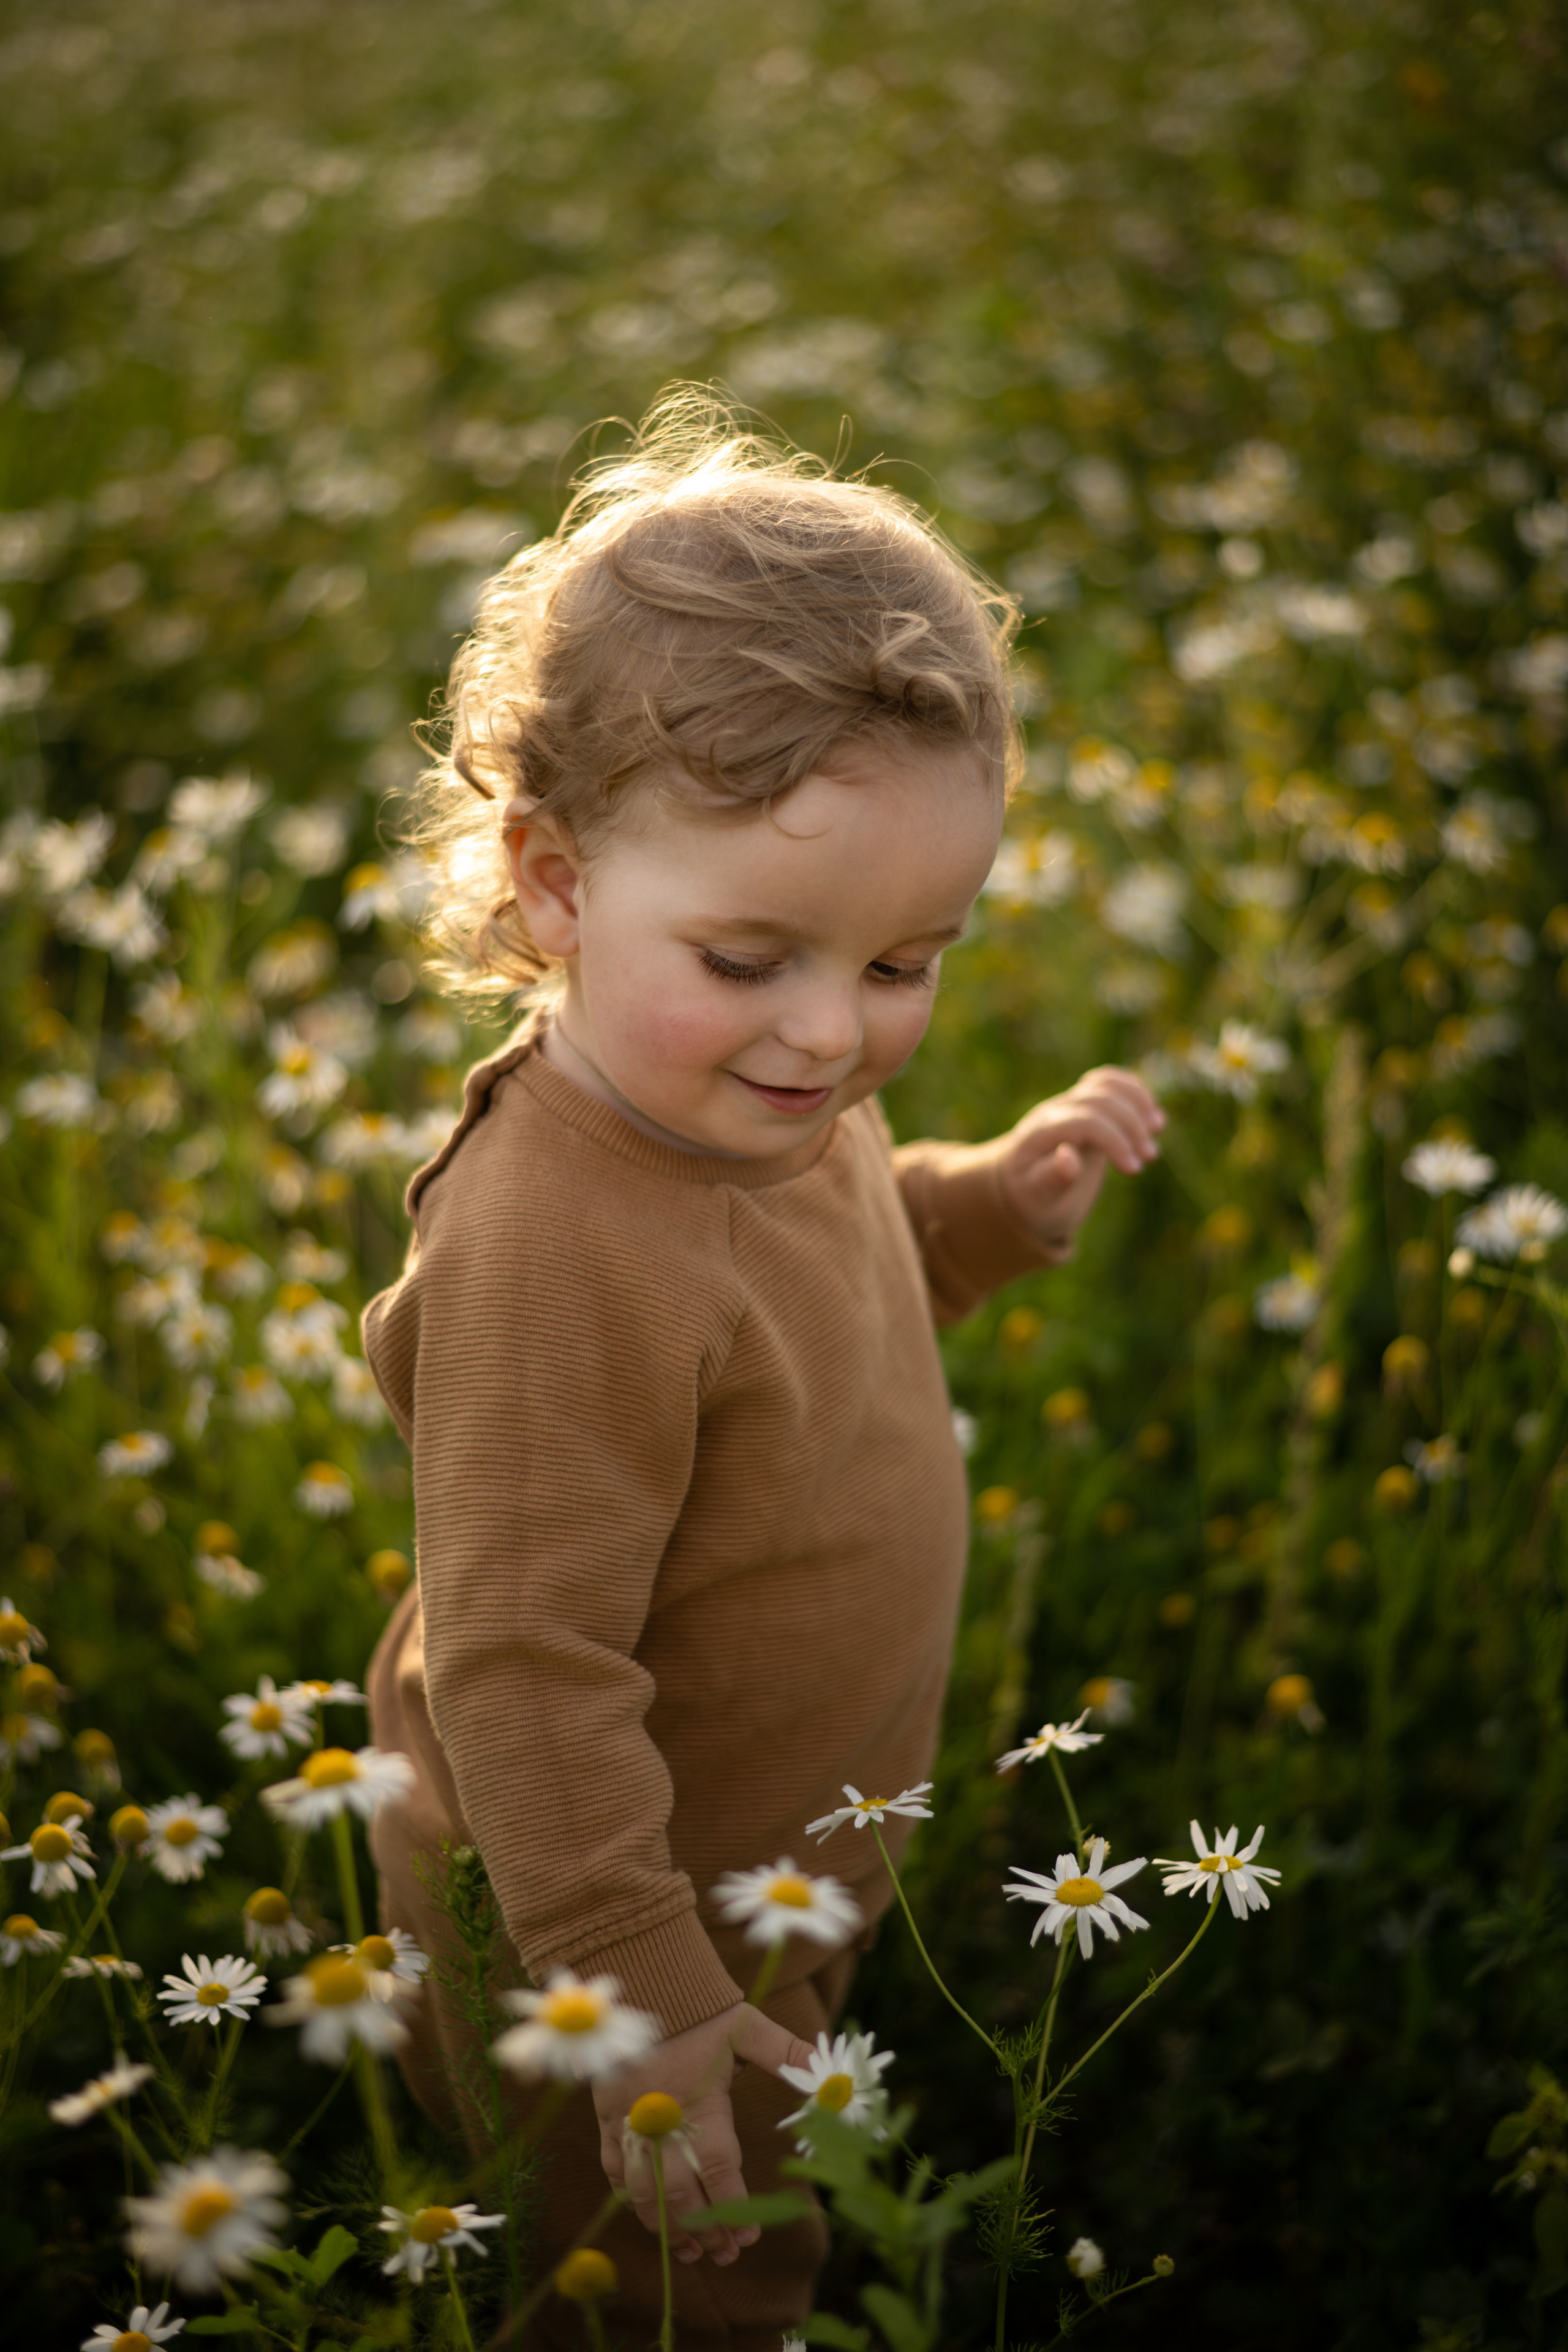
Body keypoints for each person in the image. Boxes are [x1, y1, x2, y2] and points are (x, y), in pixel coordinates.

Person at [361, 392, 1164, 2350]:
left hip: (758, 1865)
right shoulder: (556, 1241)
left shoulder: (748, 1103)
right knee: (672, 2274)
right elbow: (525, 1663)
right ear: (553, 884)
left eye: (907, 963)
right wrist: (635, 1987)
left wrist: (978, 1213)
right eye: (755, 958)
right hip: (618, 1903)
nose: (832, 1033)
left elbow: (824, 1294)